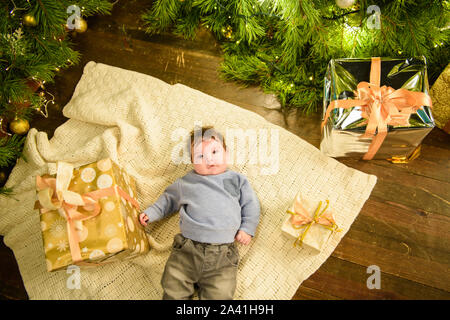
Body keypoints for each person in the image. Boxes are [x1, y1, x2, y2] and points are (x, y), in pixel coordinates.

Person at [139, 126, 260, 300]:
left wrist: (247, 228)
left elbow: (251, 205)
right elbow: (168, 200)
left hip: (222, 255)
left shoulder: (236, 180)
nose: (209, 159)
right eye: (200, 156)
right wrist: (151, 213)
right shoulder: (186, 183)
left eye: (214, 151)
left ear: (226, 153)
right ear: (192, 161)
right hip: (188, 250)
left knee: (221, 293)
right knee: (173, 286)